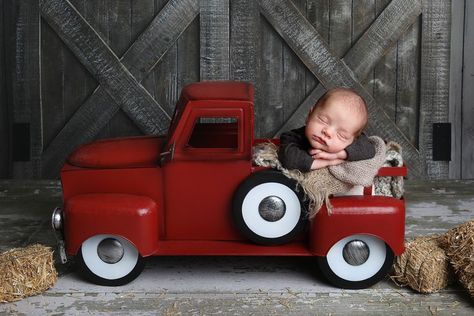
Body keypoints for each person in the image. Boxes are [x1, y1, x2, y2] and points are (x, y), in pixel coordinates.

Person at [278, 87, 375, 172]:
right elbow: (288, 158)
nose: (328, 132)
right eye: (323, 120)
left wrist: (338, 155)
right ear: (309, 116)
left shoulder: (357, 144)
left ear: (352, 140)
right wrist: (328, 162)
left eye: (341, 135)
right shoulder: (294, 137)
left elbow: (369, 149)